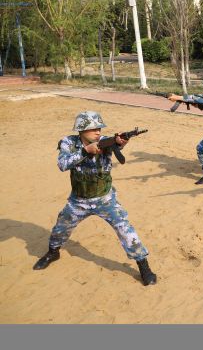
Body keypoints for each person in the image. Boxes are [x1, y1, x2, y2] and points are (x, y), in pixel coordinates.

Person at [33, 111, 157, 286]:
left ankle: (144, 266)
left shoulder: (106, 140)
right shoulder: (68, 142)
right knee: (61, 227)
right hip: (78, 200)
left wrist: (121, 142)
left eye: (99, 128)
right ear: (81, 130)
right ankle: (53, 252)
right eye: (93, 129)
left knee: (125, 230)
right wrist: (85, 151)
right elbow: (62, 164)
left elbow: (116, 145)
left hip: (105, 199)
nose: (98, 132)